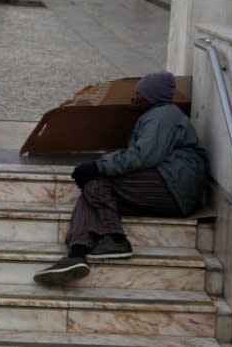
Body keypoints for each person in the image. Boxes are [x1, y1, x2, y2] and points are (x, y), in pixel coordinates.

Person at [33, 71, 207, 285]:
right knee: (90, 195)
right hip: (170, 189)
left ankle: (116, 239)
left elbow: (143, 156)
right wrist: (99, 167)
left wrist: (98, 166)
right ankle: (76, 254)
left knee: (97, 182)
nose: (134, 97)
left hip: (174, 187)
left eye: (139, 93)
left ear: (152, 97)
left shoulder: (162, 116)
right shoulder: (158, 116)